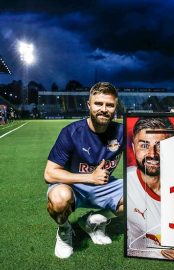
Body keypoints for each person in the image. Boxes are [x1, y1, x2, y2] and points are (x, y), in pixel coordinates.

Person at [44, 82, 124, 259]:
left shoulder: (122, 132)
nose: (104, 109)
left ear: (115, 107)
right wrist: (90, 177)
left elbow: (153, 132)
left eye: (109, 105)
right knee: (58, 200)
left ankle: (94, 221)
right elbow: (49, 173)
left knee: (140, 194)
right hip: (74, 186)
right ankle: (64, 229)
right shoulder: (71, 132)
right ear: (89, 105)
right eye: (98, 104)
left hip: (104, 184)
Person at [127, 117, 174, 260]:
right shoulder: (127, 182)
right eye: (144, 145)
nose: (152, 154)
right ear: (133, 146)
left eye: (160, 146)